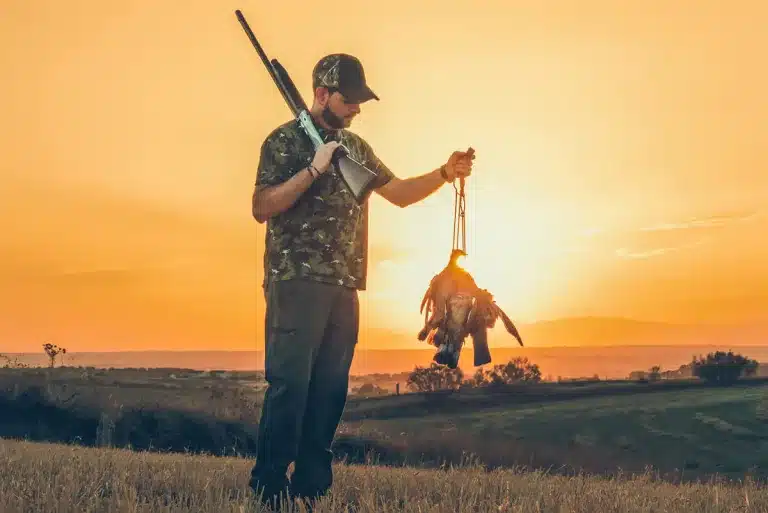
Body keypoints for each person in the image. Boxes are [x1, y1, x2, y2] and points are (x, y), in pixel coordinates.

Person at [249, 52, 474, 509]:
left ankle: (311, 490)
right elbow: (262, 206)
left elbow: (400, 194)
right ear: (321, 95)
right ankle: (268, 489)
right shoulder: (283, 142)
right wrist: (314, 167)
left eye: (359, 100)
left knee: (331, 390)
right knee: (290, 386)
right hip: (295, 280)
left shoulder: (358, 149)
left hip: (345, 284)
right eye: (349, 99)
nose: (356, 108)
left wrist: (444, 173)